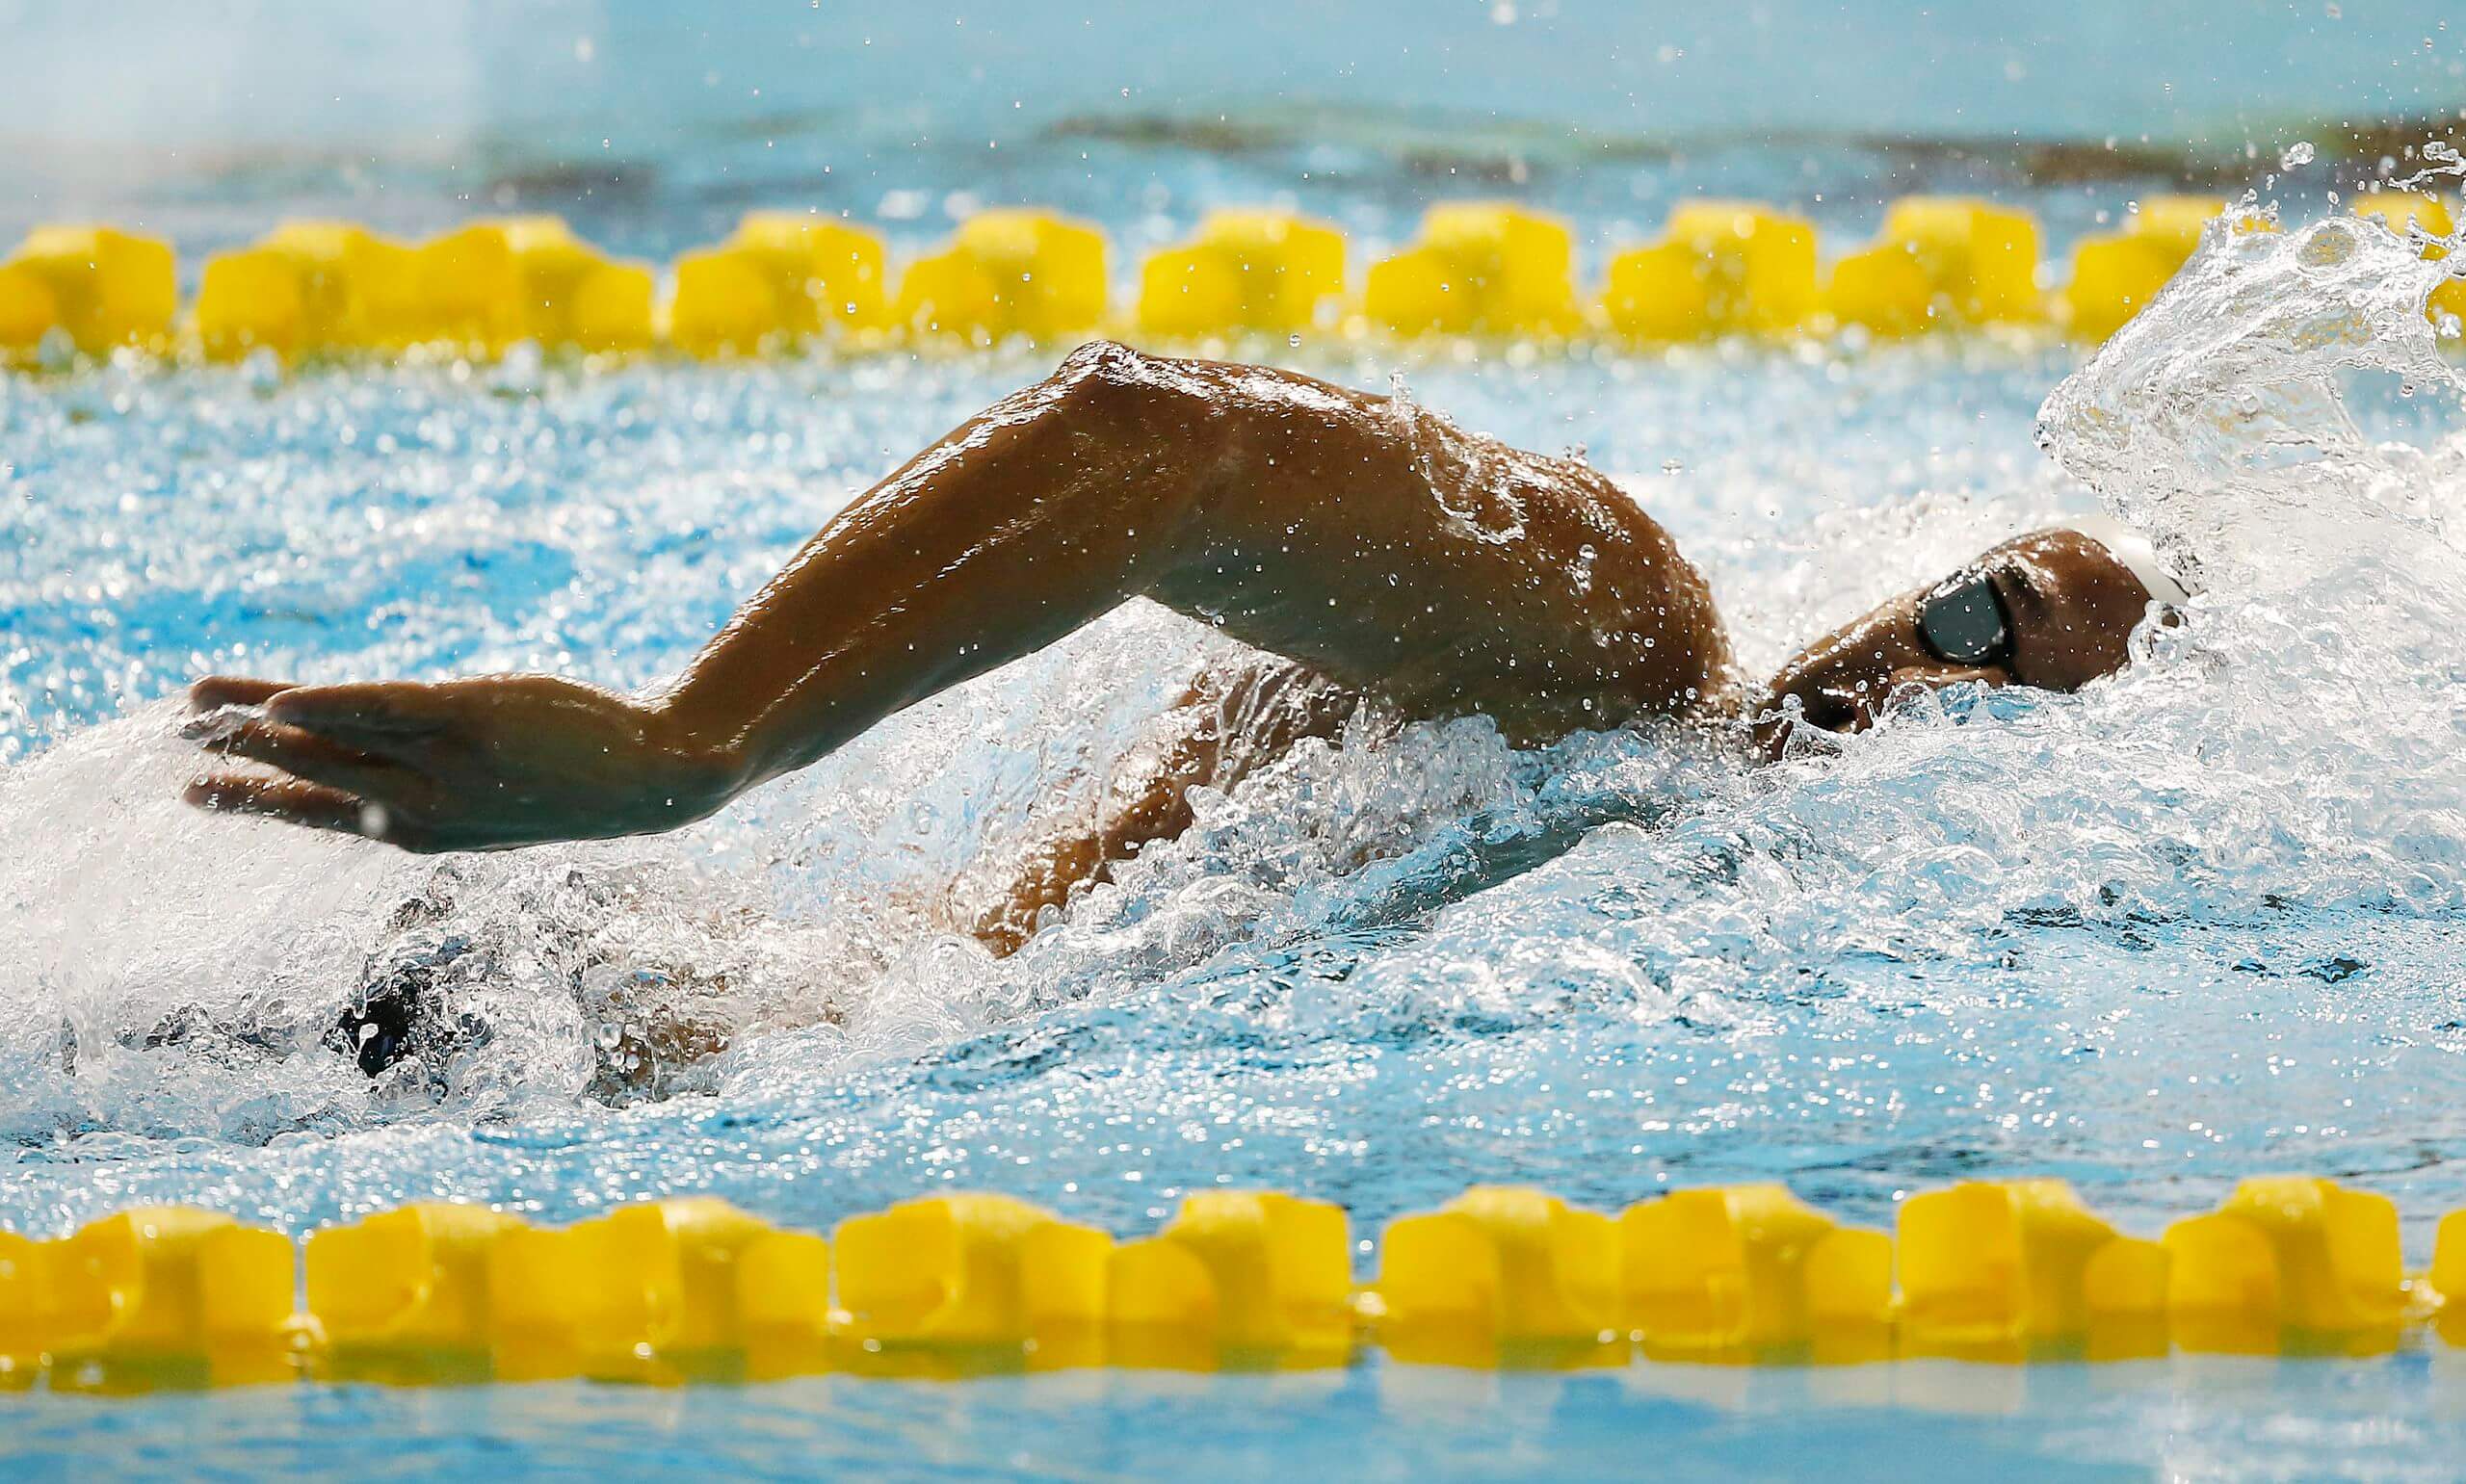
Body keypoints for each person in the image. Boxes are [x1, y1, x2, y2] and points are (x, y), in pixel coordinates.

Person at [184, 341, 2184, 958]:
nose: (1915, 671)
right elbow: (1144, 435)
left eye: (1990, 662)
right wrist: (688, 750)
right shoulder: (1615, 638)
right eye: (1960, 609)